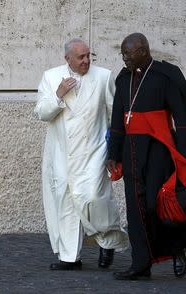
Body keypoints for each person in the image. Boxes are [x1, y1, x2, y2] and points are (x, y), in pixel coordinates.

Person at [107, 33, 186, 280]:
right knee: (135, 209)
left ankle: (178, 247)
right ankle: (140, 265)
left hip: (159, 150)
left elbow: (183, 122)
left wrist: (184, 157)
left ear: (142, 51)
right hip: (131, 151)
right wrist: (113, 154)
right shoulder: (123, 79)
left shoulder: (167, 76)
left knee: (157, 204)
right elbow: (118, 121)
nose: (124, 58)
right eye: (122, 54)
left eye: (127, 54)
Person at [34, 38, 128, 271]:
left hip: (94, 152)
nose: (86, 60)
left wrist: (114, 151)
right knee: (66, 201)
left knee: (95, 198)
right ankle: (69, 257)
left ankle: (108, 242)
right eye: (81, 57)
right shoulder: (51, 77)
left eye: (89, 56)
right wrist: (58, 95)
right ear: (67, 59)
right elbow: (42, 113)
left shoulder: (104, 76)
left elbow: (113, 115)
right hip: (62, 154)